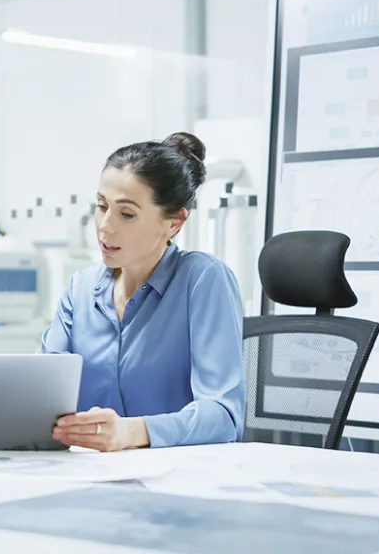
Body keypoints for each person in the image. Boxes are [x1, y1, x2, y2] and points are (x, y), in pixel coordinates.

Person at [43, 132, 245, 452]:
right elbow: (42, 391)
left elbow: (224, 416)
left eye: (127, 214)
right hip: (88, 477)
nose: (104, 226)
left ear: (174, 222)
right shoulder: (80, 289)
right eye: (101, 206)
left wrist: (134, 432)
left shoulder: (203, 280)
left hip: (178, 480)